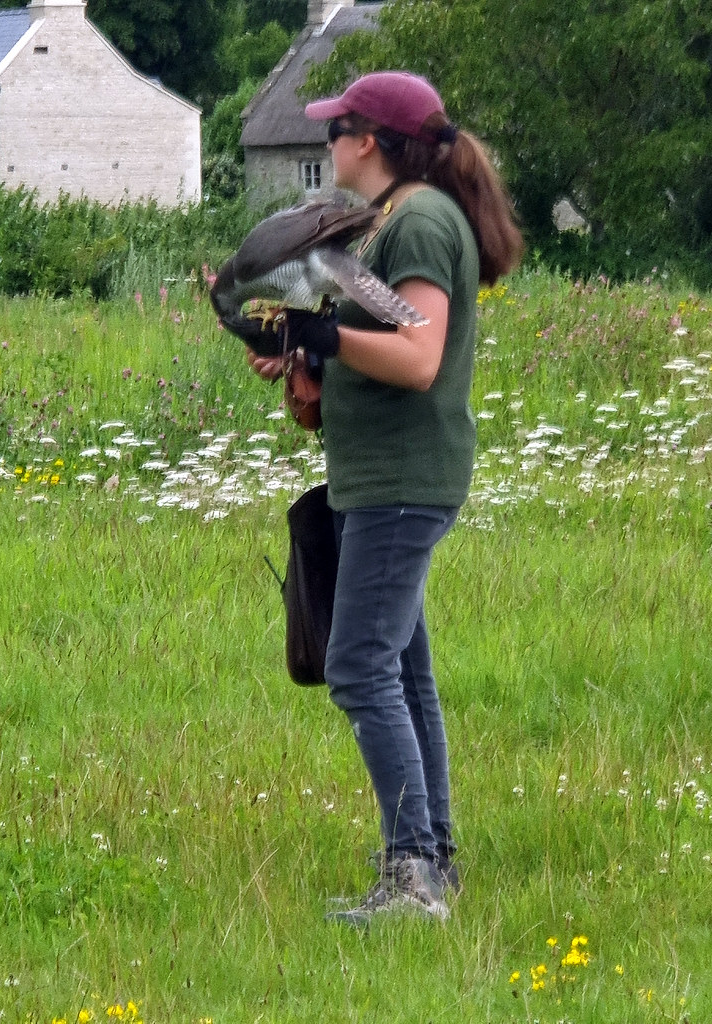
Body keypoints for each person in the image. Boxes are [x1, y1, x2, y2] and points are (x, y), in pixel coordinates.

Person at [238, 71, 523, 925]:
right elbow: (379, 342)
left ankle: (413, 881)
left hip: (403, 481)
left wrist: (322, 332)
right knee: (401, 666)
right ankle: (432, 859)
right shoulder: (391, 222)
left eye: (337, 129)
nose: (326, 141)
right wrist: (309, 360)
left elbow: (421, 357)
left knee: (361, 664)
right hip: (385, 475)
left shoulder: (424, 220)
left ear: (370, 140)